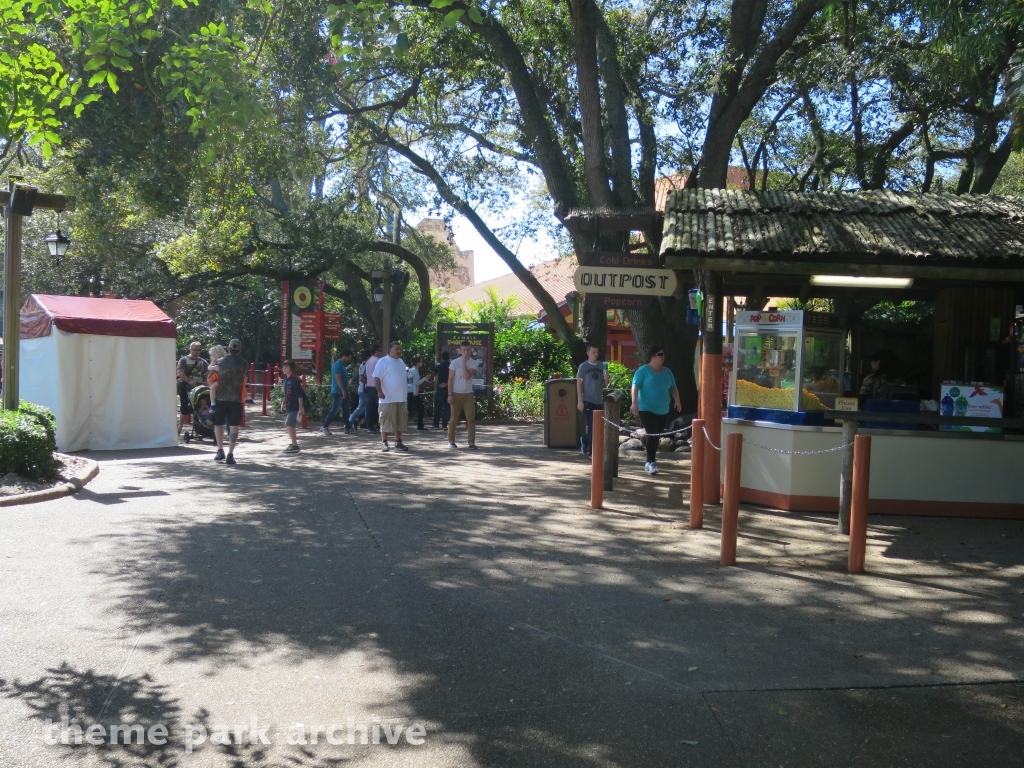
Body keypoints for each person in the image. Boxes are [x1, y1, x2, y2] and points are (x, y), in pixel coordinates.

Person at [630, 345, 681, 476]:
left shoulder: (667, 372)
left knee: (656, 435)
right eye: (660, 354)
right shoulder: (643, 371)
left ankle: (648, 461)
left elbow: (673, 387)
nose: (662, 357)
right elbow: (635, 387)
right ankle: (652, 462)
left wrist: (677, 400)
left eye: (663, 354)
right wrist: (634, 402)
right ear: (652, 357)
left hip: (663, 409)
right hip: (646, 408)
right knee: (652, 432)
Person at [209, 338, 248, 464]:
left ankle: (220, 450)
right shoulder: (244, 363)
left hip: (220, 397)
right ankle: (231, 453)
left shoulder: (219, 362)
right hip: (236, 399)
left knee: (218, 424)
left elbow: (210, 378)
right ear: (240, 350)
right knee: (234, 426)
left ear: (228, 348)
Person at [374, 341, 409, 452]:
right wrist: (379, 391)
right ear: (390, 350)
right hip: (387, 398)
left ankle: (398, 442)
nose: (399, 351)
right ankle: (384, 443)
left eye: (399, 349)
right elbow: (376, 377)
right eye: (396, 349)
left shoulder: (401, 361)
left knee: (399, 421)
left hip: (401, 398)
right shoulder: (383, 361)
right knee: (386, 421)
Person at [576, 342, 609, 457]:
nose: (596, 354)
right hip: (587, 400)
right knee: (592, 425)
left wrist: (606, 375)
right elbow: (579, 383)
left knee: (598, 426)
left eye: (597, 352)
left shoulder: (602, 365)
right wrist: (580, 400)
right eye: (593, 352)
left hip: (598, 400)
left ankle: (585, 439)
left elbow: (606, 383)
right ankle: (592, 451)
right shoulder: (583, 366)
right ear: (588, 353)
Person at [447, 341, 479, 450]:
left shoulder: (474, 363)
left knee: (471, 419)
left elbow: (467, 376)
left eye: (468, 350)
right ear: (460, 350)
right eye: (464, 350)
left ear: (471, 350)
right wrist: (450, 394)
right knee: (453, 419)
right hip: (456, 393)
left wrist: (464, 363)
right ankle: (451, 440)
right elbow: (450, 379)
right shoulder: (454, 363)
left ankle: (471, 442)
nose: (466, 352)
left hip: (468, 394)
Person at [176, 341, 208, 433]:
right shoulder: (184, 360)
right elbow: (180, 373)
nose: (196, 351)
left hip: (199, 390)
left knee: (199, 409)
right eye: (194, 349)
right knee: (185, 409)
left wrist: (207, 381)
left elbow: (208, 374)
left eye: (198, 350)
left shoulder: (203, 362)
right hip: (185, 388)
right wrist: (189, 381)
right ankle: (180, 428)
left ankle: (198, 431)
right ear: (190, 349)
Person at [321, 349, 353, 435]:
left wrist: (346, 390)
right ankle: (324, 426)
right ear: (344, 356)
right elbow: (338, 378)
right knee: (335, 409)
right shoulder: (338, 365)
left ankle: (348, 427)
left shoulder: (342, 366)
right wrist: (343, 390)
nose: (349, 359)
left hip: (343, 391)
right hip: (337, 391)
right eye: (349, 357)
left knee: (346, 410)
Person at [280, 360, 305, 453]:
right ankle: (294, 443)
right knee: (291, 425)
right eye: (283, 367)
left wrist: (301, 407)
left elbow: (299, 394)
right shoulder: (286, 379)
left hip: (295, 405)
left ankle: (295, 445)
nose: (284, 369)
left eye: (286, 367)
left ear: (291, 368)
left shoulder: (295, 379)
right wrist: (283, 402)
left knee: (288, 424)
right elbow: (286, 393)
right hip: (289, 405)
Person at [348, 351, 370, 431]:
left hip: (363, 390)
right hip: (363, 390)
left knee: (365, 407)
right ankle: (350, 422)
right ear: (368, 357)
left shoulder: (364, 365)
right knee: (361, 407)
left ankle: (365, 423)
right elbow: (361, 378)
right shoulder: (365, 365)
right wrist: (369, 383)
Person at [364, 344, 382, 433]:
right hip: (375, 386)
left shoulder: (368, 361)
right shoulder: (378, 361)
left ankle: (370, 426)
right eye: (380, 350)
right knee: (379, 406)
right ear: (376, 351)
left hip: (369, 385)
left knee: (370, 407)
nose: (381, 352)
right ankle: (379, 424)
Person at [432, 351, 451, 429]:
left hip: (440, 388)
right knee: (447, 407)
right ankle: (444, 424)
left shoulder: (438, 366)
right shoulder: (451, 366)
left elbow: (433, 374)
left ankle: (436, 424)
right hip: (449, 388)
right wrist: (447, 383)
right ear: (449, 357)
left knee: (437, 407)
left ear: (442, 357)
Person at [406, 356, 426, 430]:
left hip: (410, 391)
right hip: (413, 392)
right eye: (421, 361)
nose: (422, 363)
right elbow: (416, 382)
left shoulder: (411, 370)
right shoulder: (415, 371)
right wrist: (425, 378)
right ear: (418, 363)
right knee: (420, 408)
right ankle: (420, 426)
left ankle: (419, 425)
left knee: (408, 409)